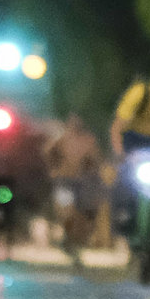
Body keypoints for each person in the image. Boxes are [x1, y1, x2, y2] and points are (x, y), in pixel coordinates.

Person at [41, 114, 107, 266]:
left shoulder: (88, 141)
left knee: (83, 217)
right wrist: (54, 169)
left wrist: (94, 171)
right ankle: (67, 238)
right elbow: (47, 152)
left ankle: (74, 244)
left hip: (82, 182)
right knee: (66, 212)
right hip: (64, 181)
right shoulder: (61, 140)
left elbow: (97, 159)